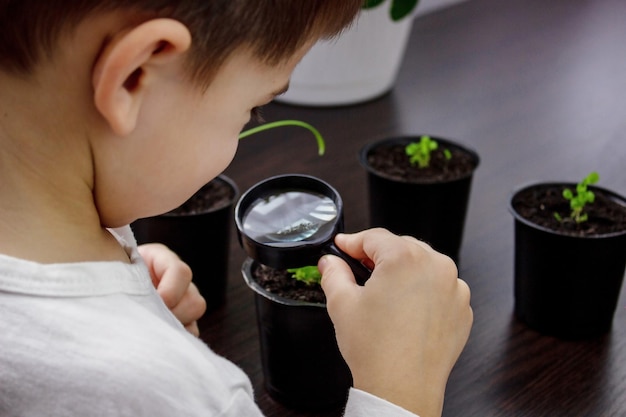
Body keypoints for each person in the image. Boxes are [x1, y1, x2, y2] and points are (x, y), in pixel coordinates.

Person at [0, 1, 473, 416]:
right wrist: (401, 393)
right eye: (252, 108)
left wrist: (128, 300)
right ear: (135, 76)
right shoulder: (184, 395)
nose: (246, 129)